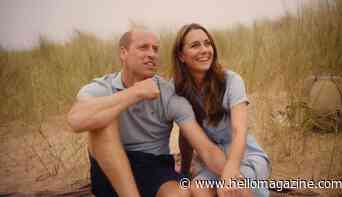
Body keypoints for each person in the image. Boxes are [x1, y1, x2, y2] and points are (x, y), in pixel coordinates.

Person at [67, 29, 226, 197]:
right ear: (123, 53)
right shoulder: (102, 87)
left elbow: (205, 148)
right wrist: (135, 93)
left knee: (180, 194)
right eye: (143, 47)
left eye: (155, 49)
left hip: (154, 165)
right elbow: (75, 120)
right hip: (110, 168)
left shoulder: (169, 94)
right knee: (103, 120)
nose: (152, 54)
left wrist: (237, 174)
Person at [172, 23, 271, 197]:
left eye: (207, 43)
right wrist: (184, 173)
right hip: (212, 161)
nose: (204, 50)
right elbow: (186, 135)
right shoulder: (179, 89)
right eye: (195, 45)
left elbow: (238, 130)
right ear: (181, 55)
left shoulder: (231, 80)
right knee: (198, 188)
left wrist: (230, 170)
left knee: (231, 190)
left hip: (244, 156)